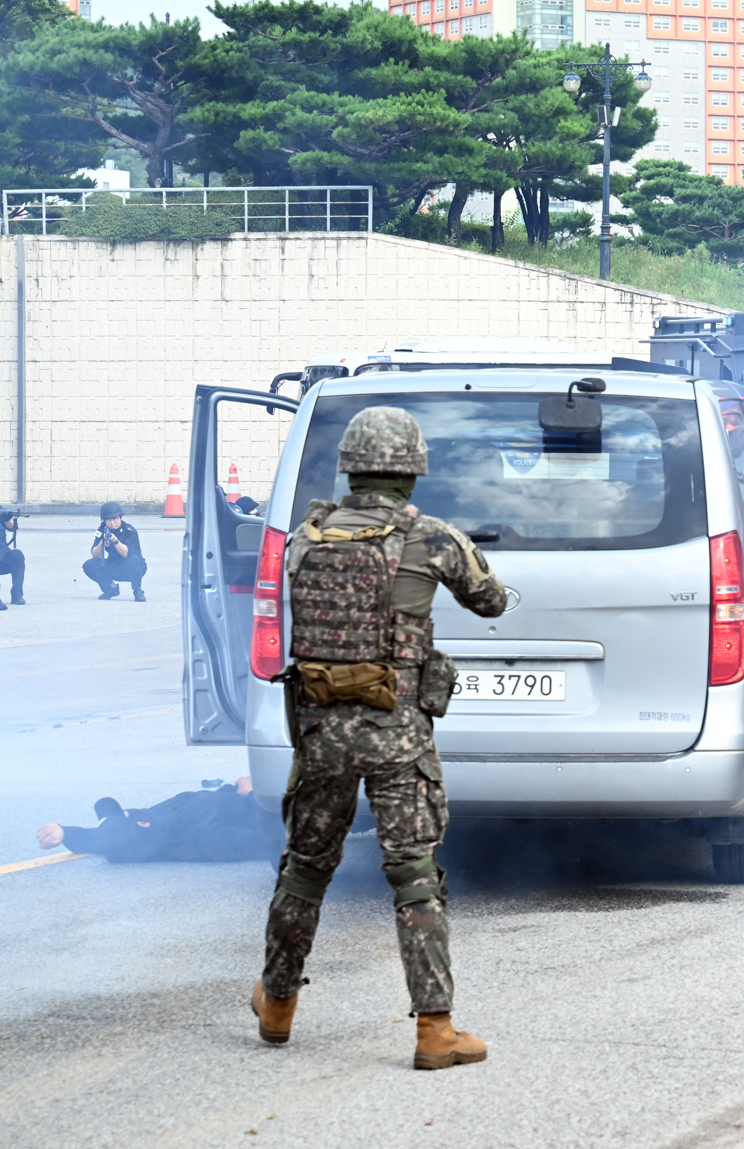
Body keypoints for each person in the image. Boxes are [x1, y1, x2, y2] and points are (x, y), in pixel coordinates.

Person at [252, 406, 509, 1070]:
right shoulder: (432, 539)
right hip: (397, 731)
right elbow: (491, 601)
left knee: (305, 869)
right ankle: (435, 1030)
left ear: (351, 465)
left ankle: (277, 1005)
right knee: (415, 876)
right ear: (414, 468)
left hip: (321, 730)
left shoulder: (305, 538)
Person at [36, 778, 276, 862]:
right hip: (271, 803)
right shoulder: (199, 837)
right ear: (141, 824)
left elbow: (100, 838)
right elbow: (267, 839)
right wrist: (252, 791)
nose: (129, 811)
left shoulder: (154, 825)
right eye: (126, 815)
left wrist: (64, 832)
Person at [83, 502, 146, 601]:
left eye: (115, 518)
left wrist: (115, 541)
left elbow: (126, 553)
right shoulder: (101, 530)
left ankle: (137, 590)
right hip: (115, 566)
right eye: (108, 519)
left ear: (121, 518)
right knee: (88, 565)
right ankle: (111, 588)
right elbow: (94, 556)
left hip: (134, 569)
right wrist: (102, 543)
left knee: (132, 560)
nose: (112, 522)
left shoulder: (129, 530)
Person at [0, 507, 21, 607]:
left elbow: (12, 527)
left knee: (17, 555)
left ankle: (17, 595)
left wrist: (6, 517)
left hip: (3, 557)